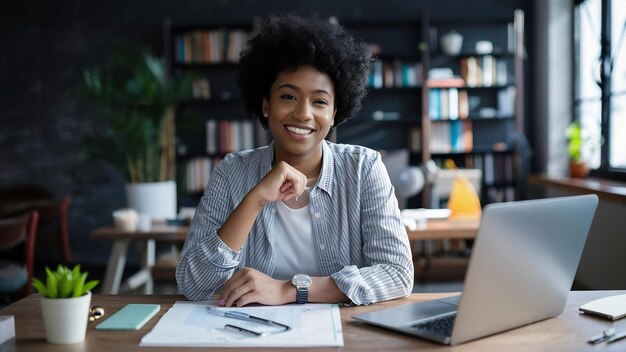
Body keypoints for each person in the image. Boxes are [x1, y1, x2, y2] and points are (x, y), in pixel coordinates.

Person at [176, 14, 414, 307]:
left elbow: (397, 273)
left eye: (320, 101)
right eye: (288, 97)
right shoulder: (231, 173)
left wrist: (289, 290)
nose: (303, 114)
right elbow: (192, 284)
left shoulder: (364, 169)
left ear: (334, 111)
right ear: (266, 104)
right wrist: (255, 200)